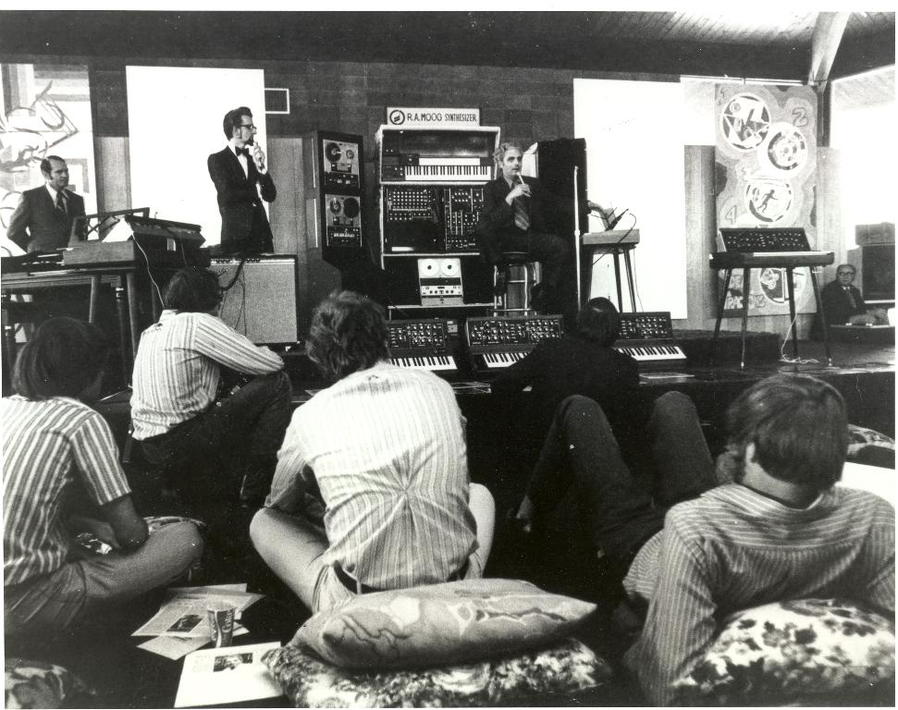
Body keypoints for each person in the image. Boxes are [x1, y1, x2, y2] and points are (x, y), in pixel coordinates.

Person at [512, 374, 894, 705]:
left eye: (738, 442)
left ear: (752, 450)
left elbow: (668, 686)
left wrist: (634, 644)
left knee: (579, 408)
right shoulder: (873, 515)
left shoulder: (696, 526)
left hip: (639, 541)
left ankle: (528, 506)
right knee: (673, 402)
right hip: (714, 510)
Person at [250, 291, 496, 612]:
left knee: (264, 519)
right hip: (453, 590)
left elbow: (281, 503)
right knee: (480, 493)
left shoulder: (309, 414)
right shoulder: (439, 388)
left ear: (318, 353)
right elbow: (458, 475)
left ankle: (339, 598)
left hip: (359, 603)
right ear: (384, 338)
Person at [3, 318, 203, 637]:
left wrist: (90, 525)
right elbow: (131, 536)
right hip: (30, 602)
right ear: (90, 374)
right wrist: (139, 531)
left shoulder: (6, 408)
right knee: (186, 537)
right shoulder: (82, 419)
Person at [130, 266, 292, 515]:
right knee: (277, 382)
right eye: (218, 296)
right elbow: (271, 364)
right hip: (184, 442)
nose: (220, 303)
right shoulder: (198, 322)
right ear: (207, 298)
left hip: (149, 447)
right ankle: (257, 486)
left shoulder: (151, 331)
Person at [491, 296, 640, 448]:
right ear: (616, 330)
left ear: (579, 322)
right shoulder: (628, 365)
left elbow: (501, 385)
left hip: (544, 450)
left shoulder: (549, 349)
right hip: (599, 452)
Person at [474, 142, 571, 314]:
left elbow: (556, 202)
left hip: (528, 239)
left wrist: (588, 205)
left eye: (519, 159)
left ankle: (543, 292)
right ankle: (502, 269)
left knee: (560, 245)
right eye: (510, 159)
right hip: (503, 242)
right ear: (500, 163)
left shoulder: (532, 184)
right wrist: (510, 197)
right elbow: (492, 222)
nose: (516, 163)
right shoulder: (491, 188)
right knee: (483, 226)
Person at [207, 107, 276, 255]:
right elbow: (227, 194)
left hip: (261, 235)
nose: (254, 131)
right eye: (250, 127)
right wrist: (254, 192)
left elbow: (270, 196)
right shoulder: (217, 160)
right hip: (236, 238)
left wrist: (261, 167)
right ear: (236, 130)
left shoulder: (252, 160)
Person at [7, 155, 86, 253]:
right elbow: (13, 232)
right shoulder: (30, 197)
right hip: (43, 259)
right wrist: (33, 248)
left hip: (73, 258)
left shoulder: (77, 200)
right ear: (46, 175)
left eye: (66, 171)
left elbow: (82, 232)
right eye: (59, 172)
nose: (65, 175)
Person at [811, 263, 886, 338]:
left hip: (847, 329)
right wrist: (861, 317)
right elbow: (836, 314)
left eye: (849, 273)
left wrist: (874, 312)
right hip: (829, 333)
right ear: (836, 275)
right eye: (841, 273)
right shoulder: (830, 290)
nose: (845, 276)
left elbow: (860, 308)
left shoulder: (855, 290)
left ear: (853, 276)